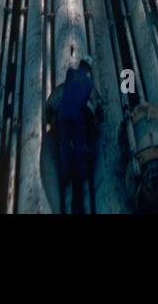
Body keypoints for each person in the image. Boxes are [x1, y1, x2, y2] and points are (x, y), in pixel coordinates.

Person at [54, 56, 99, 214]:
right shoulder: (89, 83)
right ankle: (79, 177)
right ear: (89, 69)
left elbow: (66, 90)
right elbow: (86, 103)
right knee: (79, 150)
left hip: (62, 115)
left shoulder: (69, 73)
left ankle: (65, 176)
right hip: (76, 117)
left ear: (81, 64)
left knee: (64, 147)